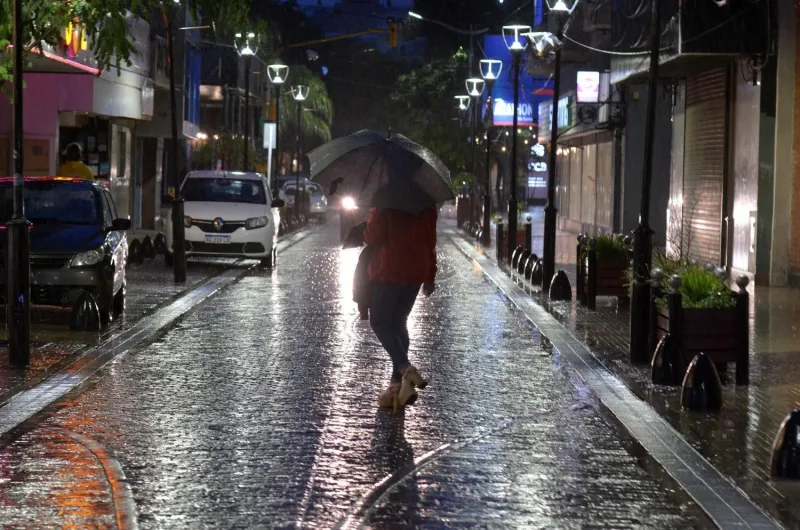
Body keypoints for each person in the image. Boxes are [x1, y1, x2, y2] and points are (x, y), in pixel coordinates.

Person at [363, 206, 438, 413]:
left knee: (379, 322)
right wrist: (430, 275)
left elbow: (373, 237)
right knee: (398, 323)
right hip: (416, 271)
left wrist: (370, 220)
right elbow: (431, 241)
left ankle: (406, 369)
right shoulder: (426, 204)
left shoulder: (385, 201)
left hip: (389, 271)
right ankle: (395, 390)